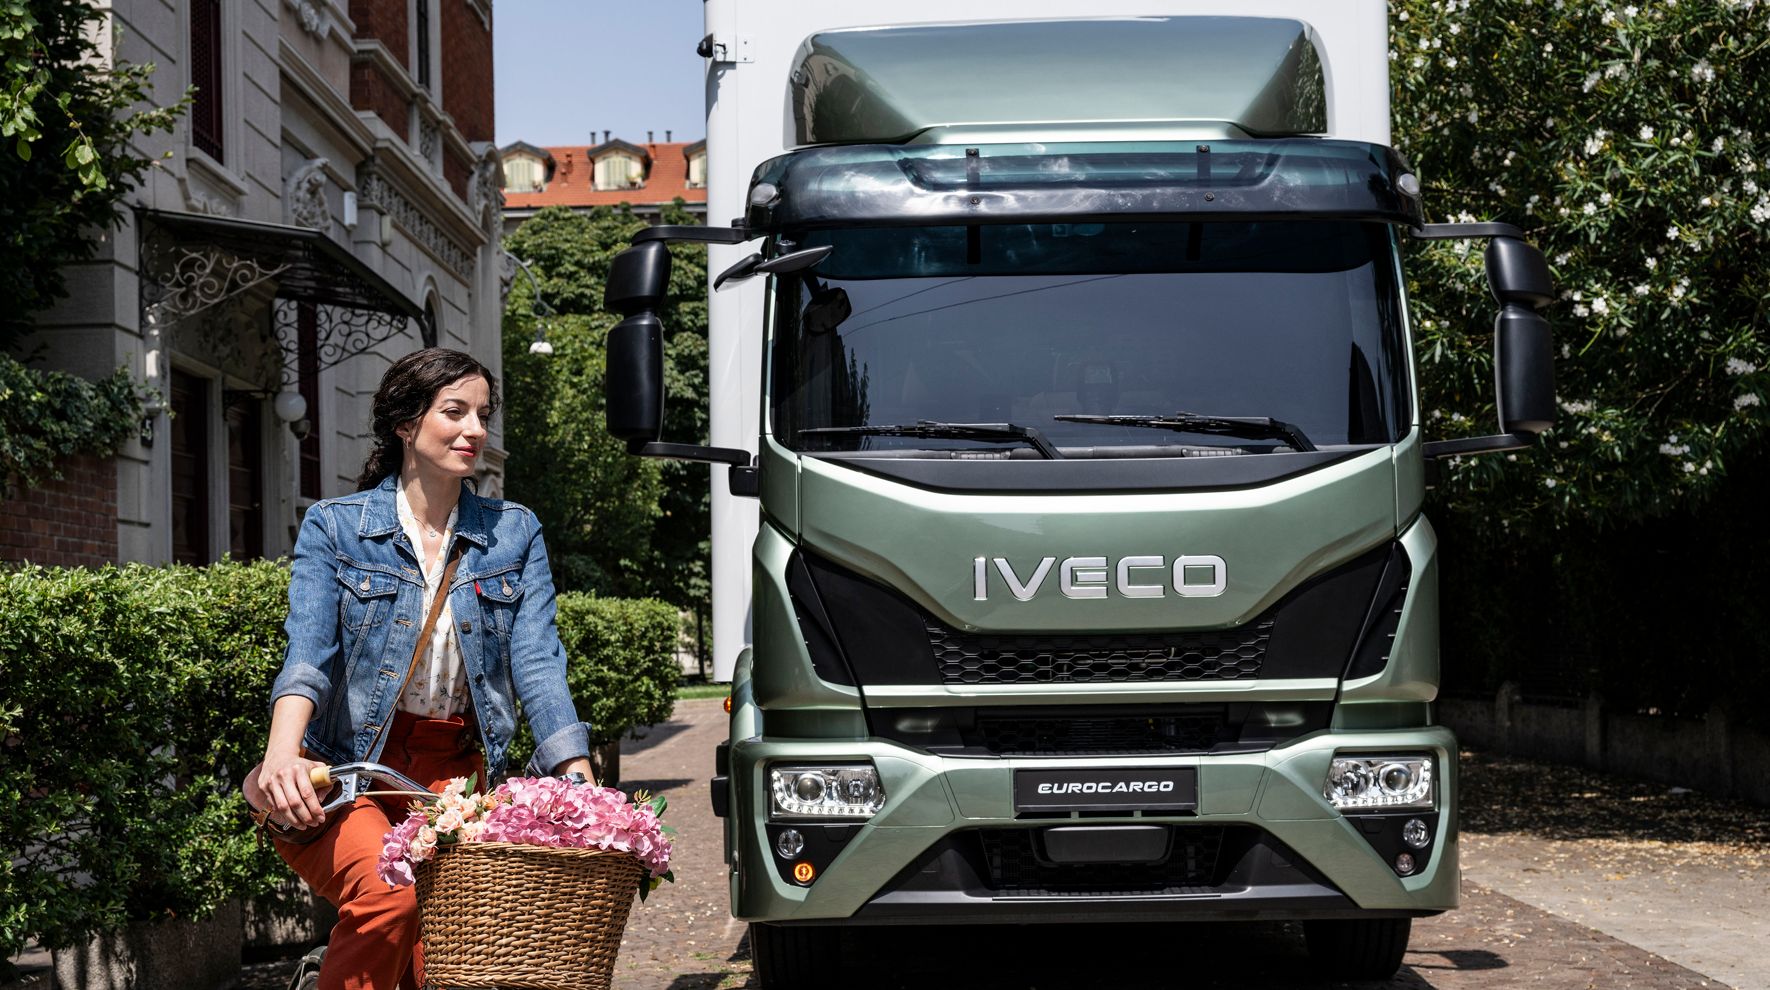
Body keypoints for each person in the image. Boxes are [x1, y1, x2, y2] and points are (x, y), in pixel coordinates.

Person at [244, 347, 594, 990]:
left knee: (450, 954)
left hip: (458, 773)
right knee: (389, 895)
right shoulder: (336, 528)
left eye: (482, 415)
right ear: (407, 424)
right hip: (351, 770)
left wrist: (576, 774)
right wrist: (283, 754)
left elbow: (538, 663)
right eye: (454, 412)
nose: (475, 431)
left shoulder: (513, 533)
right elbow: (309, 655)